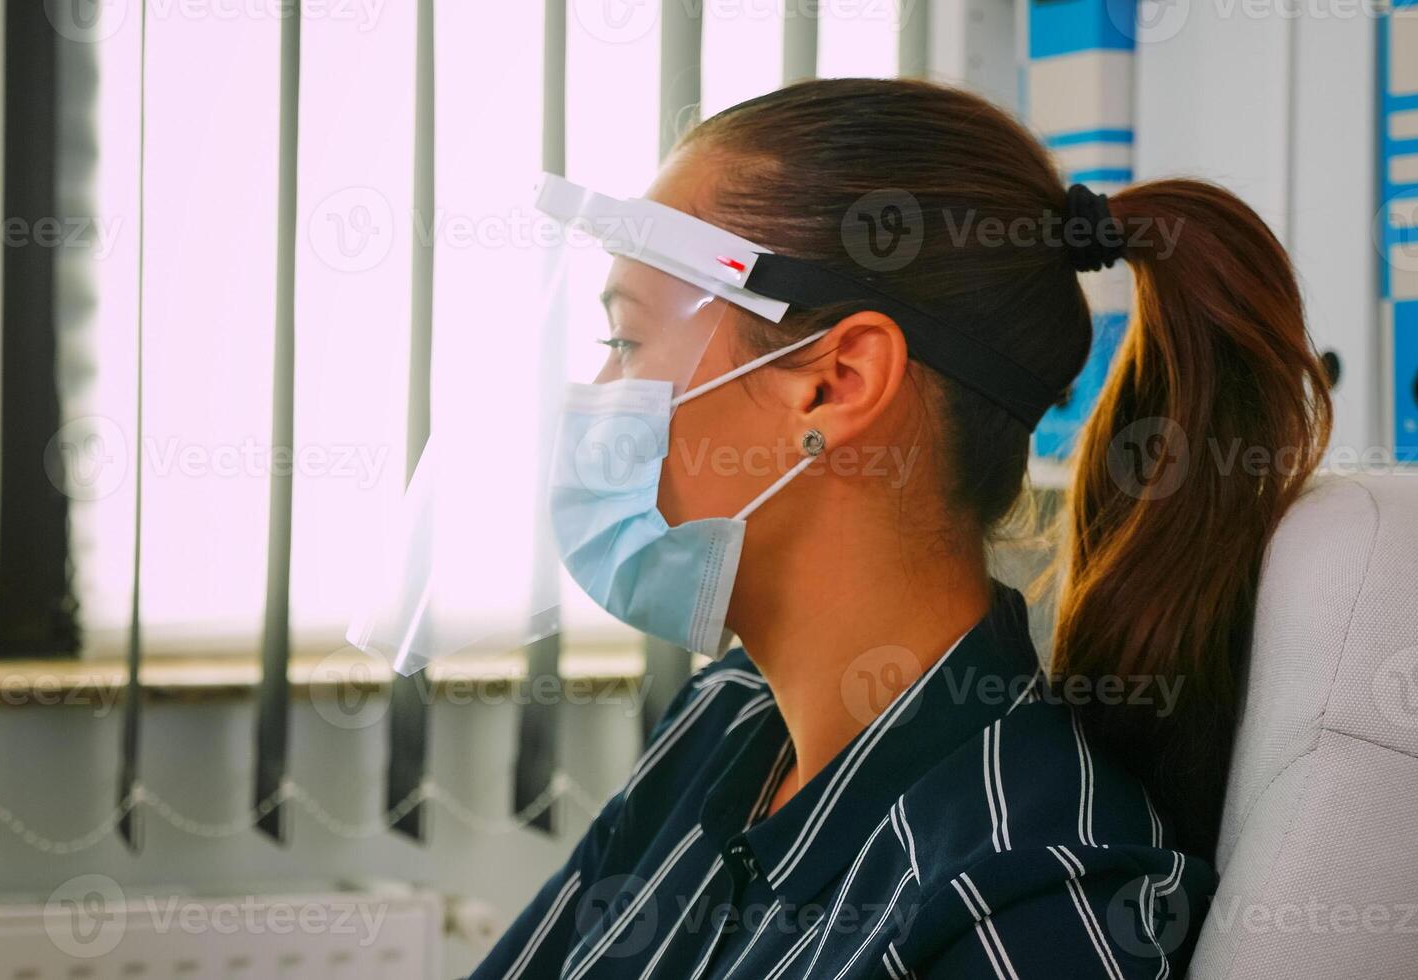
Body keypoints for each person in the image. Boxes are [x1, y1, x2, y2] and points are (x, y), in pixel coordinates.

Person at [468, 77, 1331, 979]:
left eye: (627, 346)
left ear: (836, 381)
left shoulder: (1029, 905)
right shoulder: (722, 726)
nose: (602, 403)